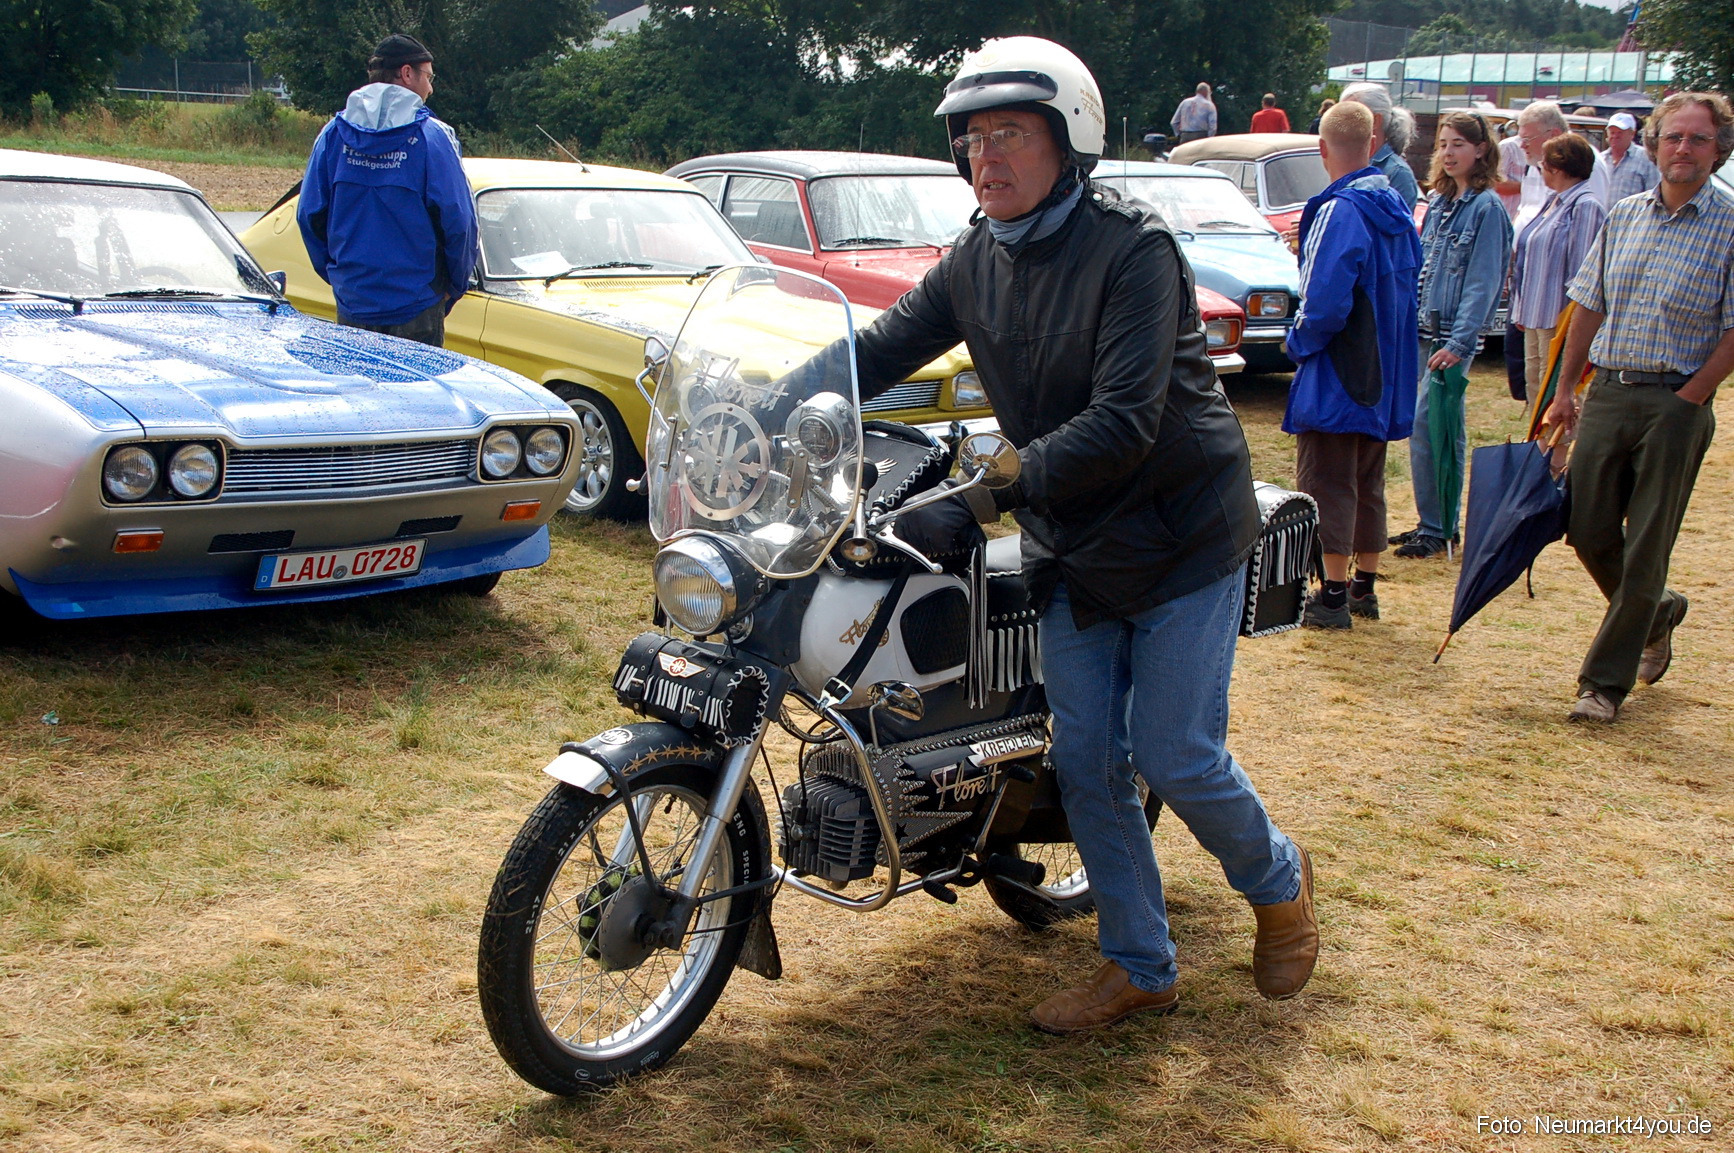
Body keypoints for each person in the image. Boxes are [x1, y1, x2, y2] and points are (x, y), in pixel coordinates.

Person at [857, 36, 1316, 1031]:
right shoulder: (976, 259)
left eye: (1012, 135)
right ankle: (1142, 965)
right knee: (1088, 760)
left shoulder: (1133, 248)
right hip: (1073, 537)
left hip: (1178, 531)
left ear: (1072, 139)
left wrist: (975, 504)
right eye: (973, 140)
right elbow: (879, 350)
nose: (989, 159)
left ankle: (1279, 882)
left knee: (1177, 753)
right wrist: (773, 392)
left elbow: (1121, 422)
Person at [1543, 92, 1734, 724]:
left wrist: (1692, 397)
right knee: (1588, 529)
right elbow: (1588, 304)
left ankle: (1602, 685)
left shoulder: (1730, 223)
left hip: (1677, 401)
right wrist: (1567, 390)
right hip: (1610, 393)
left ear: (1718, 149)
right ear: (1654, 145)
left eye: (1698, 139)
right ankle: (1658, 612)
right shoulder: (1624, 214)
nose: (1683, 149)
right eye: (1674, 137)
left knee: (1647, 544)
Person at [1283, 101, 1422, 629]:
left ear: (1323, 150)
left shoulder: (1339, 210)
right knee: (1368, 479)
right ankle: (1364, 584)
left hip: (1340, 370)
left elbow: (1322, 300)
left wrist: (1297, 345)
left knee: (1328, 480)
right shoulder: (1395, 205)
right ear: (1372, 144)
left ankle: (1333, 594)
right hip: (1385, 370)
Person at [297, 33, 477, 347]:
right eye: (429, 77)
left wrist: (340, 277)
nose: (430, 88)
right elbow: (460, 221)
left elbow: (309, 215)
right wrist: (455, 284)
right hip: (417, 302)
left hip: (354, 301)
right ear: (407, 74)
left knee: (361, 395)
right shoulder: (432, 138)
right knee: (414, 396)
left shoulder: (332, 135)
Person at [1391, 112, 1513, 560]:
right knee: (1423, 430)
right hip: (1424, 331)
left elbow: (1483, 283)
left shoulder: (1486, 208)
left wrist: (1459, 344)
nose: (1448, 152)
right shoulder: (1441, 204)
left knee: (1437, 429)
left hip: (1449, 339)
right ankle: (1432, 522)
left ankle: (1440, 527)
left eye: (1459, 143)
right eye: (1443, 143)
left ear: (1481, 149)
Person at [1509, 134, 1605, 399]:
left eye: (1544, 164)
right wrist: (1520, 308)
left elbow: (1582, 274)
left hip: (1558, 319)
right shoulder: (1552, 202)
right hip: (1533, 315)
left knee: (1555, 394)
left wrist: (1572, 325)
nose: (1540, 169)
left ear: (1557, 167)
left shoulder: (1586, 206)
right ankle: (1537, 442)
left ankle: (1557, 443)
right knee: (1534, 390)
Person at [1511, 101, 1607, 241]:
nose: (1522, 145)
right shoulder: (1535, 160)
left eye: (1527, 138)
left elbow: (1588, 227)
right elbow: (1525, 208)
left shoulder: (1586, 161)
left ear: (1553, 134)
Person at [1339, 83, 1420, 209]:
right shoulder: (1341, 163)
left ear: (1375, 121)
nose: (1340, 122)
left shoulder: (1397, 173)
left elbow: (1397, 226)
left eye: (1350, 114)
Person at [1599, 111, 1660, 208]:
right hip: (1602, 221)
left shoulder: (1646, 158)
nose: (1615, 136)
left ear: (1632, 133)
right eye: (1612, 132)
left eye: (1620, 133)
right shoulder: (1600, 160)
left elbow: (1655, 195)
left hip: (1632, 220)